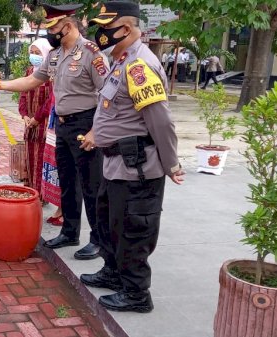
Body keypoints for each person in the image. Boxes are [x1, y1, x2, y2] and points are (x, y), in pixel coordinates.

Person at [82, 1, 184, 313]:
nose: (99, 34)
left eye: (104, 28)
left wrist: (172, 163)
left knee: (132, 231)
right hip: (115, 164)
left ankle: (138, 295)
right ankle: (113, 273)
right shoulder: (120, 60)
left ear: (125, 29)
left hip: (137, 168)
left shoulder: (140, 66)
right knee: (108, 224)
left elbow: (160, 121)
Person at [0, 3, 107, 261]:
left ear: (67, 26)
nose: (50, 33)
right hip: (62, 125)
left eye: (54, 27)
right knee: (66, 180)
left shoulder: (91, 53)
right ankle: (70, 231)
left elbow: (107, 95)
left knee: (91, 185)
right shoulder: (55, 55)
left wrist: (96, 130)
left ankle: (99, 240)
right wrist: (1, 85)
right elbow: (33, 80)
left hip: (86, 124)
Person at [18, 38, 54, 196]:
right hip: (29, 122)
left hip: (43, 123)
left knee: (41, 158)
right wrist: (24, 114)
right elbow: (23, 94)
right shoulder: (29, 72)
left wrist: (37, 118)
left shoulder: (51, 73)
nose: (34, 56)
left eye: (37, 53)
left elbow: (50, 100)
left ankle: (40, 194)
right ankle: (30, 191)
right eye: (31, 53)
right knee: (29, 156)